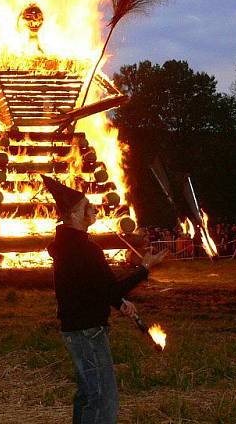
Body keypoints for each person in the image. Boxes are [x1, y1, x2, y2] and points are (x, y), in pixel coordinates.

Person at [44, 175, 167, 424]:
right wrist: (144, 268)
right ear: (75, 214)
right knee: (103, 399)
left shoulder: (67, 245)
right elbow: (109, 289)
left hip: (76, 329)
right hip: (88, 331)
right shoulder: (84, 249)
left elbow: (92, 287)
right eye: (87, 207)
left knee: (88, 394)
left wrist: (120, 303)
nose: (93, 210)